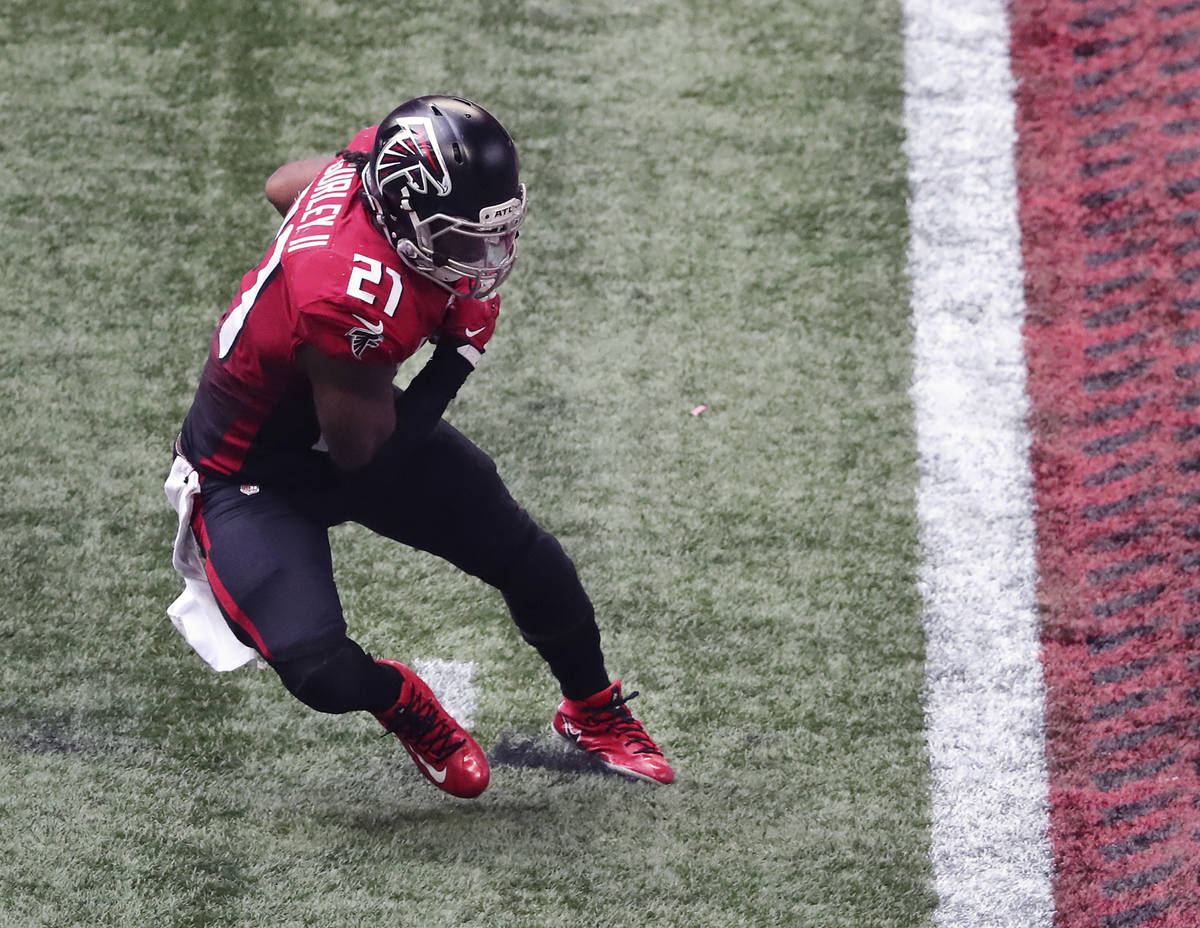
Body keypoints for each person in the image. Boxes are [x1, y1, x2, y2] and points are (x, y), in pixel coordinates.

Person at [164, 95, 674, 797]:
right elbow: (364, 459)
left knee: (524, 553)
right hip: (252, 473)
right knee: (318, 668)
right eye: (462, 238)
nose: (485, 257)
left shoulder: (379, 168)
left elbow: (284, 184)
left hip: (345, 407)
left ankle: (591, 710)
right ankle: (398, 698)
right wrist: (460, 353)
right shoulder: (347, 301)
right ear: (403, 220)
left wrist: (323, 229)